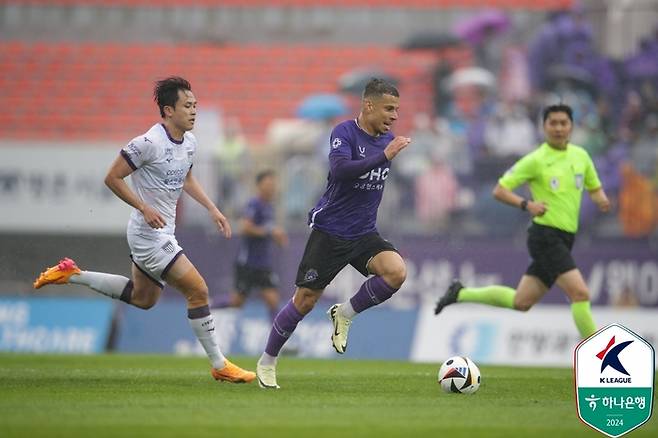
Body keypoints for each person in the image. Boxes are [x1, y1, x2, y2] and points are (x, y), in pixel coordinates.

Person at [33, 76, 255, 384]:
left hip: (163, 231)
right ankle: (219, 364)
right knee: (198, 290)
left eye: (195, 105)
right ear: (168, 110)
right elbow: (112, 178)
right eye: (187, 106)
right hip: (148, 234)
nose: (193, 111)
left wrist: (212, 208)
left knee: (143, 299)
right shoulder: (147, 144)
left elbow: (186, 178)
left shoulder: (189, 142)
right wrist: (143, 207)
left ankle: (72, 274)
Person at [255, 78, 412, 389]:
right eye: (389, 109)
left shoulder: (387, 140)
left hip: (364, 232)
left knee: (396, 272)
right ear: (369, 105)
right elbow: (340, 171)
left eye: (397, 110)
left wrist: (386, 153)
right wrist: (384, 157)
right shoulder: (344, 132)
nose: (394, 116)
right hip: (331, 230)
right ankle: (267, 361)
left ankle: (345, 313)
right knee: (304, 301)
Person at [434, 103, 610, 339]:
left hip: (566, 237)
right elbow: (500, 190)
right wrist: (527, 205)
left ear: (571, 126)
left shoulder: (581, 156)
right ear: (544, 127)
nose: (558, 128)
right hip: (545, 235)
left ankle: (460, 294)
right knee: (580, 294)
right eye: (553, 123)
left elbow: (594, 187)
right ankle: (599, 355)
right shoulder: (536, 160)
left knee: (522, 301)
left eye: (563, 123)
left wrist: (602, 200)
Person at [214, 170, 288, 322]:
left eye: (273, 184)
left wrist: (278, 238)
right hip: (248, 263)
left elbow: (270, 231)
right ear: (259, 185)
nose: (271, 188)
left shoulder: (270, 207)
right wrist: (269, 232)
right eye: (268, 184)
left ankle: (277, 342)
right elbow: (245, 228)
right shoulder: (254, 204)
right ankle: (209, 305)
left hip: (263, 264)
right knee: (236, 303)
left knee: (273, 301)